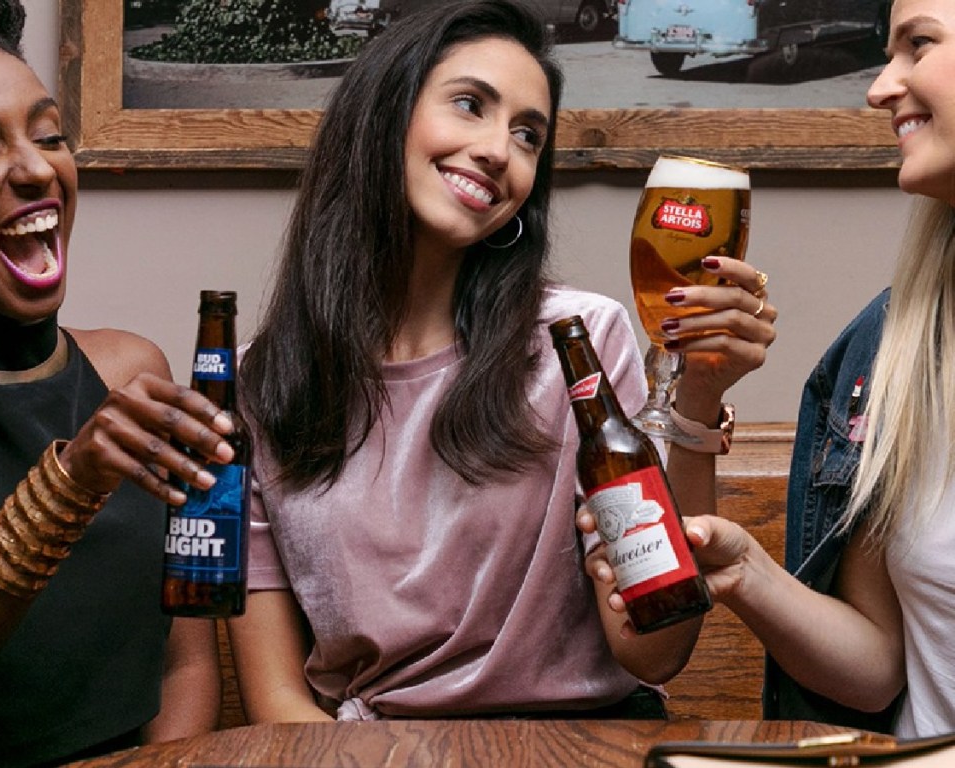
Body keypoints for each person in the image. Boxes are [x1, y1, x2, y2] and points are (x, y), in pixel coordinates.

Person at [229, 0, 777, 722]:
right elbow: (276, 703)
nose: (499, 150)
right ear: (381, 116)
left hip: (581, 745)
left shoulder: (578, 341)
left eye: (528, 135)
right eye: (469, 105)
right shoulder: (259, 384)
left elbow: (655, 652)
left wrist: (698, 404)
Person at [617, 0, 955, 739]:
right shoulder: (892, 348)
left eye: (918, 45)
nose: (878, 88)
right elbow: (876, 672)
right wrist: (744, 570)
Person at [0, 1, 235, 764]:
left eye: (50, 136)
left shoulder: (133, 374)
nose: (37, 169)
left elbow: (183, 659)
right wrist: (67, 489)